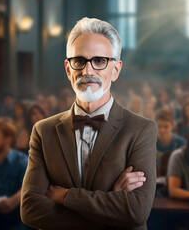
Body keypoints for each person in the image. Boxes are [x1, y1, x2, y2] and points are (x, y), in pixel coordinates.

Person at [20, 17, 157, 229]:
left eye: (99, 61)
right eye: (79, 61)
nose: (87, 71)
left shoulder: (141, 129)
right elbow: (30, 210)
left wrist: (66, 196)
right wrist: (111, 201)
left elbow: (136, 212)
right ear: (68, 69)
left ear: (116, 70)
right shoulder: (43, 131)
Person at [155, 109, 185, 175]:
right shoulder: (151, 143)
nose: (162, 130)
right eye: (159, 126)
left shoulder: (180, 143)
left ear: (172, 126)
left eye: (166, 126)